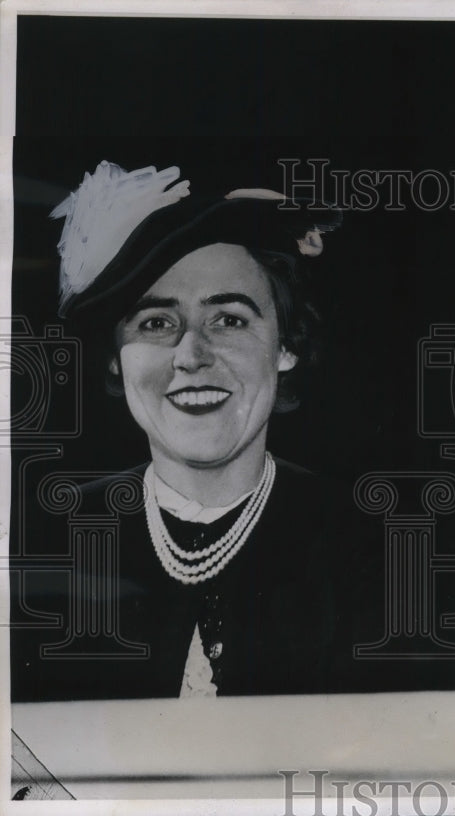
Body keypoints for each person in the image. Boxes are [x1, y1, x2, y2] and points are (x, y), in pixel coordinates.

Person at [11, 161, 366, 699]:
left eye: (229, 319)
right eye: (156, 323)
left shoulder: (369, 546)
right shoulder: (39, 543)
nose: (191, 356)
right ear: (117, 360)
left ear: (286, 345)